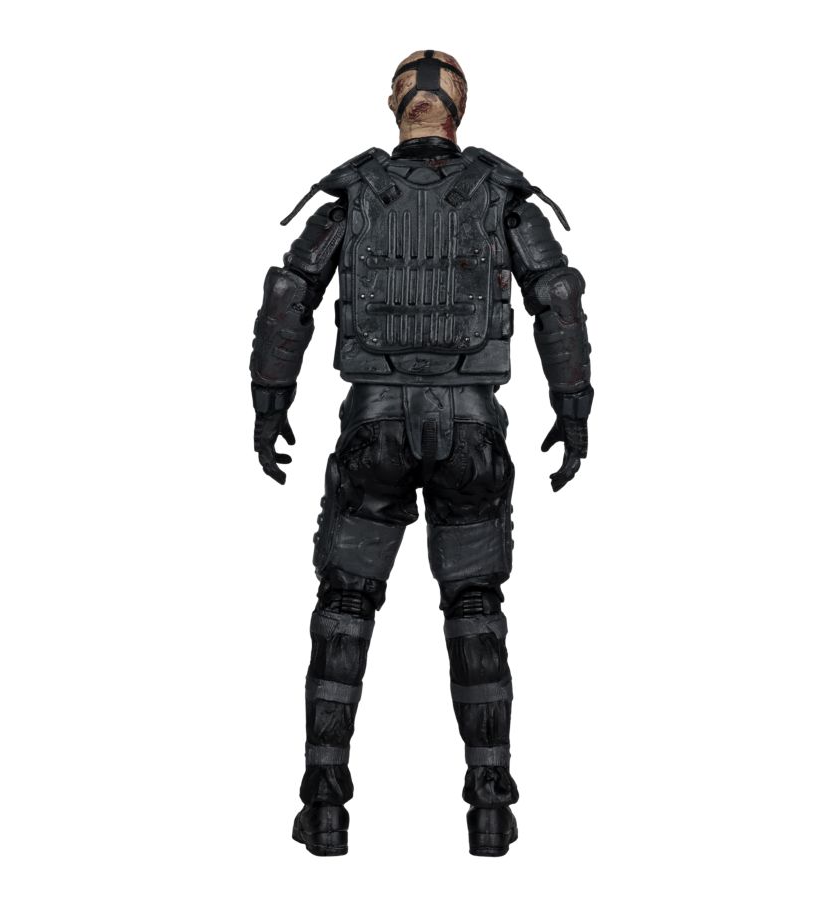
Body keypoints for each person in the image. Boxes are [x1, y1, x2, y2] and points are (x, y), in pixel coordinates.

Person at [249, 50, 593, 856]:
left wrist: (270, 402)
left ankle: (325, 808)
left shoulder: (354, 195)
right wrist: (572, 407)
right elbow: (557, 298)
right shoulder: (502, 197)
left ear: (394, 105)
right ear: (459, 110)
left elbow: (290, 296)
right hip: (471, 426)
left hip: (373, 422)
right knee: (475, 607)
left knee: (345, 606)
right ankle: (490, 811)